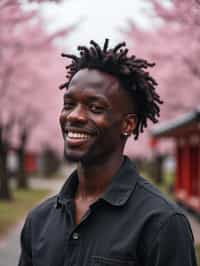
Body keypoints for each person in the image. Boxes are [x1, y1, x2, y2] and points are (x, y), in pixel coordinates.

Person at [18, 39, 197, 266]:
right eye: (69, 104)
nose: (75, 116)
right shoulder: (39, 220)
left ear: (128, 125)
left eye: (95, 108)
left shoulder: (162, 223)